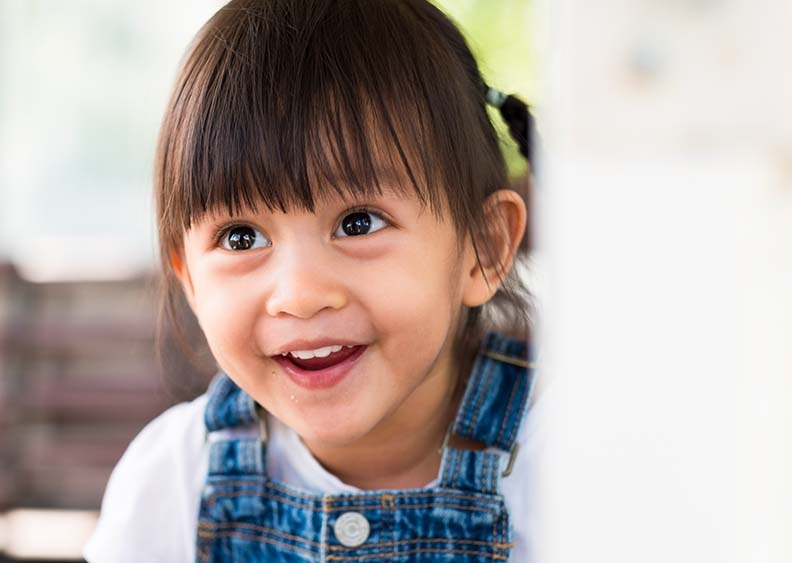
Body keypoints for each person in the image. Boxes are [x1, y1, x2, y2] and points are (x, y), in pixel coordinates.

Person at [85, 0, 543, 560]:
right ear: (191, 281)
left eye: (358, 224)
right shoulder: (172, 480)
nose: (299, 295)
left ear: (483, 248)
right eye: (241, 237)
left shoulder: (565, 466)